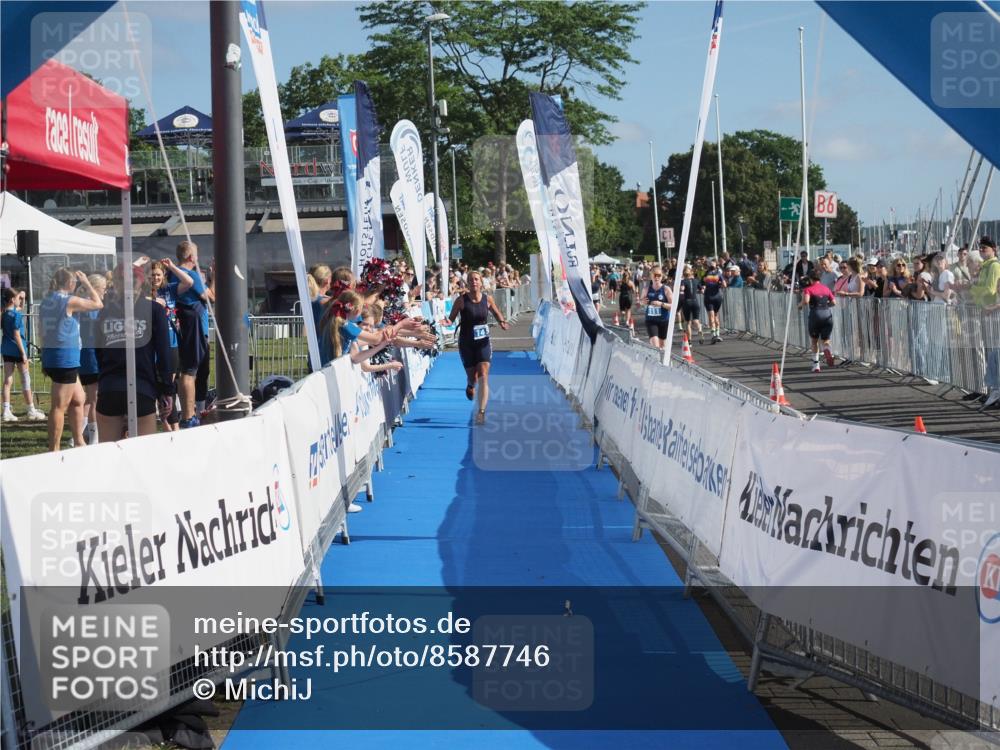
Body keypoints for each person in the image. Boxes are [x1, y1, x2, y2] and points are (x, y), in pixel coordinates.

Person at [95, 265, 174, 441]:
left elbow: (99, 351)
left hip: (111, 386)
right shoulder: (154, 310)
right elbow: (164, 354)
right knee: (144, 455)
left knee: (109, 452)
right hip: (141, 386)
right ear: (142, 282)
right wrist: (166, 390)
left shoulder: (105, 312)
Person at [39, 268, 103, 451]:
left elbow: (40, 329)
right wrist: (87, 283)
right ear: (70, 283)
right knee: (59, 406)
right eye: (75, 281)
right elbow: (98, 304)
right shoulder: (70, 300)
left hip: (55, 355)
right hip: (64, 357)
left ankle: (79, 441)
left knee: (79, 399)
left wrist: (44, 355)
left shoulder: (46, 301)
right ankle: (54, 448)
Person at [448, 270, 511, 424]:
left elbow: (496, 313)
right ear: (467, 284)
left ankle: (481, 412)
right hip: (466, 343)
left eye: (476, 279)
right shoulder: (461, 301)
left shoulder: (487, 299)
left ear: (481, 282)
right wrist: (446, 323)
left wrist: (502, 322)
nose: (474, 282)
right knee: (473, 377)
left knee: (483, 374)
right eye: (470, 280)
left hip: (483, 342)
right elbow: (451, 319)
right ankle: (470, 384)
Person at [168, 241, 210, 429]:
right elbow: (211, 297)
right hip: (194, 327)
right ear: (191, 257)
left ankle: (188, 414)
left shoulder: (171, 274)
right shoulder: (191, 275)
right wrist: (215, 277)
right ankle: (189, 415)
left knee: (187, 370)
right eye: (197, 255)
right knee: (190, 372)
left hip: (181, 327)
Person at [151, 261, 188, 432]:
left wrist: (173, 267)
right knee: (157, 387)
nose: (155, 277)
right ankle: (166, 425)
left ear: (163, 275)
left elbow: (189, 282)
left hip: (171, 344)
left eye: (158, 274)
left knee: (169, 386)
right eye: (152, 274)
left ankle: (174, 426)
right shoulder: (143, 293)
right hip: (151, 345)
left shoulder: (170, 290)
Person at [2, 287, 45, 422]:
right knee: (25, 379)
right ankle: (31, 409)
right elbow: (17, 335)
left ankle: (6, 410)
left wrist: (22, 298)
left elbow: (19, 307)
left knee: (8, 380)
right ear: (12, 300)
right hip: (17, 350)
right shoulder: (16, 315)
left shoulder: (5, 314)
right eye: (18, 299)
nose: (20, 301)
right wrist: (23, 353)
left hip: (6, 349)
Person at [78, 274, 109, 444]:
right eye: (103, 289)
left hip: (88, 354)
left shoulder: (84, 303)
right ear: (96, 289)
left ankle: (80, 434)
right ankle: (94, 436)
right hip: (90, 355)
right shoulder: (90, 306)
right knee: (94, 397)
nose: (105, 292)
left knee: (89, 399)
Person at [971, 237, 1000, 410]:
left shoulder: (994, 266)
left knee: (995, 354)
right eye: (980, 248)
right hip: (986, 311)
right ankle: (994, 391)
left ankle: (996, 391)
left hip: (993, 313)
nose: (982, 250)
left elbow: (989, 289)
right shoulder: (985, 266)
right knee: (991, 354)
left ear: (993, 249)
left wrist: (973, 290)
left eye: (984, 248)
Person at [800, 271, 836, 372]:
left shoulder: (808, 289)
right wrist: (824, 306)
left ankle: (816, 365)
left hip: (815, 315)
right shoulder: (826, 288)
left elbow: (806, 301)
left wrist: (800, 305)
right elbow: (834, 302)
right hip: (827, 315)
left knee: (814, 341)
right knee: (826, 340)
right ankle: (827, 349)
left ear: (811, 279)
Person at [643, 265, 672, 349]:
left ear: (662, 276)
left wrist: (661, 304)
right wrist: (643, 302)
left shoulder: (666, 289)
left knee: (662, 345)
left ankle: (663, 362)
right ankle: (657, 361)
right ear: (651, 276)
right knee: (655, 345)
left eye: (659, 275)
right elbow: (641, 301)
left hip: (664, 320)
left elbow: (673, 306)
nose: (656, 277)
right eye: (654, 275)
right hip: (651, 320)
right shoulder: (646, 289)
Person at [701, 260, 726, 343]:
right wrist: (703, 288)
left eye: (713, 264)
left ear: (716, 265)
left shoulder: (719, 274)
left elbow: (724, 284)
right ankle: (714, 335)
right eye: (710, 264)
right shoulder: (706, 274)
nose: (712, 266)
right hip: (709, 297)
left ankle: (717, 334)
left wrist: (720, 284)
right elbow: (701, 284)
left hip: (717, 297)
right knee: (712, 316)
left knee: (715, 316)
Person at [678, 265, 704, 344]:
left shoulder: (683, 281)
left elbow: (682, 289)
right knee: (696, 320)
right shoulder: (696, 280)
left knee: (688, 322)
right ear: (691, 273)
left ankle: (689, 341)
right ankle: (699, 329)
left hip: (687, 302)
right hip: (695, 301)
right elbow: (702, 290)